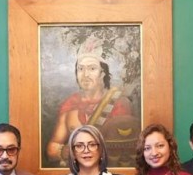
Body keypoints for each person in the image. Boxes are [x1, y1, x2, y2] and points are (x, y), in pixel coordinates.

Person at [45, 37, 134, 166]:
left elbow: (126, 149)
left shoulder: (119, 103)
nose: (85, 74)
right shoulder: (70, 104)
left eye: (92, 68)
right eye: (80, 69)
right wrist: (64, 151)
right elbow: (52, 148)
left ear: (103, 73)